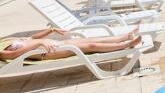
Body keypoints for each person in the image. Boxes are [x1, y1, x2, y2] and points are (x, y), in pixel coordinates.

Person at [0, 28, 142, 61]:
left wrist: (50, 30)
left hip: (53, 44)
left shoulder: (5, 40)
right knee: (91, 46)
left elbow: (30, 37)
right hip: (47, 52)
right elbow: (15, 54)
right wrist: (41, 41)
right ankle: (127, 44)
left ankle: (123, 37)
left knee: (89, 40)